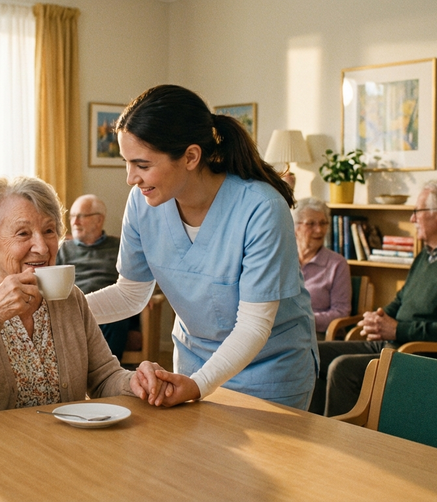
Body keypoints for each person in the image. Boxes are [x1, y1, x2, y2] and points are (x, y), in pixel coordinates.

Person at [86, 84, 319, 410]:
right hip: (193, 361)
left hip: (269, 367)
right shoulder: (142, 203)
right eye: (126, 163)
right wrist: (61, 310)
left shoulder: (261, 207)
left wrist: (199, 385)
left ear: (191, 156)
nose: (130, 179)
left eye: (142, 165)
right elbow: (131, 294)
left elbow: (253, 326)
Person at [0, 176, 149, 418]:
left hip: (56, 450)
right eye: (23, 233)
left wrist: (138, 381)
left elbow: (104, 377)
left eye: (49, 230)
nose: (42, 247)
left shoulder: (68, 297)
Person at [309, 179, 437, 417]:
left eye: (417, 212)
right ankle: (311, 432)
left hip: (430, 356)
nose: (412, 219)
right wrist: (379, 318)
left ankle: (340, 446)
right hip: (398, 344)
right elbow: (401, 302)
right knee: (311, 352)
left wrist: (398, 330)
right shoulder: (426, 256)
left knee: (343, 367)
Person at [56, 194, 140, 360]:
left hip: (111, 307)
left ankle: (107, 375)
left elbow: (137, 278)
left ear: (99, 220)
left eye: (81, 216)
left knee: (118, 316)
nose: (74, 222)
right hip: (75, 306)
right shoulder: (62, 249)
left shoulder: (119, 247)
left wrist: (145, 294)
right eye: (72, 216)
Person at [292, 197, 351, 337]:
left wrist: (303, 319)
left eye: (323, 223)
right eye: (311, 224)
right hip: (282, 330)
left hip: (317, 334)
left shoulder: (337, 264)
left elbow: (341, 312)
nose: (319, 230)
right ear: (295, 227)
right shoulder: (282, 259)